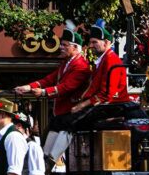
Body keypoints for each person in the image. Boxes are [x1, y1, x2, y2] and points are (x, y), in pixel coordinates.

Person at [47, 24, 132, 161]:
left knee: (69, 121)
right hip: (103, 105)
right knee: (58, 121)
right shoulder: (103, 60)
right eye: (91, 42)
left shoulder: (111, 60)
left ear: (107, 43)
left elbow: (106, 95)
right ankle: (47, 158)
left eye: (95, 42)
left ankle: (50, 161)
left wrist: (82, 105)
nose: (91, 45)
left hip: (111, 106)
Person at [13, 26, 92, 165]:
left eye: (64, 45)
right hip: (62, 113)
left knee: (54, 150)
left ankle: (49, 162)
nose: (61, 47)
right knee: (45, 152)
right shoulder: (66, 63)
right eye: (61, 44)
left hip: (71, 112)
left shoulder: (81, 66)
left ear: (75, 47)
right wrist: (28, 87)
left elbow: (67, 87)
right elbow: (49, 79)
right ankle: (45, 163)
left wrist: (43, 92)